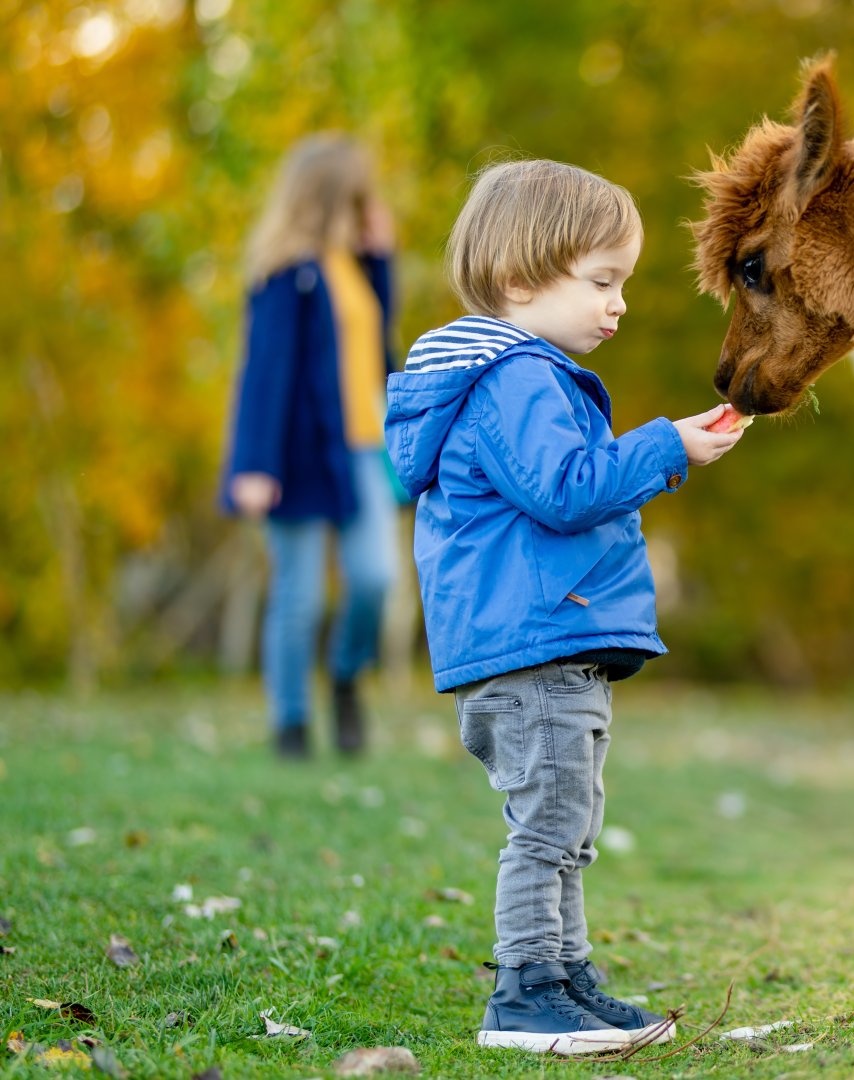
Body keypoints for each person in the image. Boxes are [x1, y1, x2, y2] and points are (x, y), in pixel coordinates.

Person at [384, 159, 744, 1054]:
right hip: (531, 649)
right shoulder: (515, 381)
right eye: (601, 282)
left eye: (621, 282)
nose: (618, 304)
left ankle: (566, 976)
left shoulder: (524, 376)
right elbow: (564, 489)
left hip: (545, 644)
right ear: (519, 281)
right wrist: (666, 447)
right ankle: (523, 992)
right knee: (548, 824)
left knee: (567, 824)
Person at [222, 133, 399, 761]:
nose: (368, 205)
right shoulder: (285, 274)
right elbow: (263, 374)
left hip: (363, 451)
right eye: (359, 196)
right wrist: (253, 465)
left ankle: (346, 676)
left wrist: (382, 260)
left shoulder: (355, 268)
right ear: (332, 196)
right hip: (295, 456)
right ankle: (291, 726)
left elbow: (379, 354)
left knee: (375, 578)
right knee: (296, 595)